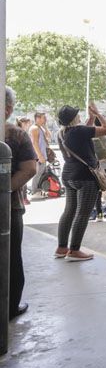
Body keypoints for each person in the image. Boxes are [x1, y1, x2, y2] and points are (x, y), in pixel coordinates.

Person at [55, 102, 106, 262]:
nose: (79, 116)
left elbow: (86, 131)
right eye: (77, 114)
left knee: (69, 211)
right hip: (85, 177)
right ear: (74, 119)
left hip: (69, 175)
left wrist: (91, 117)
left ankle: (61, 248)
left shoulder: (62, 133)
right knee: (83, 213)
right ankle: (74, 250)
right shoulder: (79, 131)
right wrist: (99, 115)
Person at [5, 87, 37, 319]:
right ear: (9, 108)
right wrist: (4, 190)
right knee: (11, 257)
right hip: (8, 207)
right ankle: (10, 308)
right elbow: (30, 169)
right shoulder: (16, 134)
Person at [28, 112, 49, 198]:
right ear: (38, 118)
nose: (45, 119)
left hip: (42, 155)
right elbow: (34, 143)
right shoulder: (34, 128)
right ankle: (34, 191)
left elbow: (48, 136)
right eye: (43, 118)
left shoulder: (40, 128)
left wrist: (45, 126)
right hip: (38, 156)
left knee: (40, 173)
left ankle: (37, 190)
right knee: (37, 174)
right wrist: (40, 156)